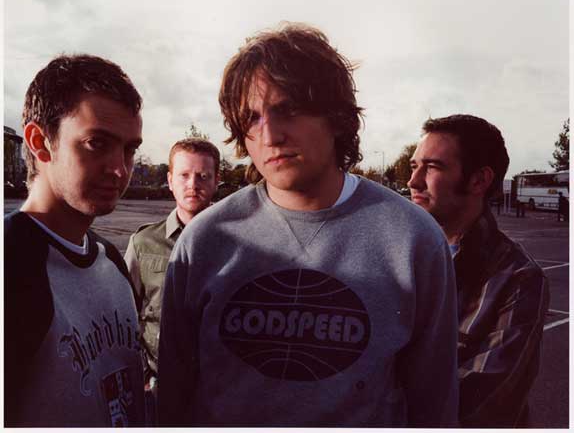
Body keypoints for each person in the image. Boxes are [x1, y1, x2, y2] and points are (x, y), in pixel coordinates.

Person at [158, 23, 459, 427]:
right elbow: (173, 395)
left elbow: (434, 402)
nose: (270, 135)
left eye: (288, 109)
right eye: (251, 118)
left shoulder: (413, 239)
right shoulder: (205, 240)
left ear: (336, 117)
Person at [5, 54, 145, 427]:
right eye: (96, 143)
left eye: (129, 149)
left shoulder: (111, 260)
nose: (119, 169)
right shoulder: (11, 264)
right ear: (40, 142)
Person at [408, 114, 549, 427]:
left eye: (432, 167)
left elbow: (482, 401)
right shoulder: (397, 255)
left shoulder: (518, 278)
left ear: (479, 180)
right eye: (414, 166)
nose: (413, 181)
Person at [124, 138, 220, 420]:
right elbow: (124, 317)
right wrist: (142, 375)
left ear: (217, 181)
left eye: (203, 176)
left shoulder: (238, 242)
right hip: (158, 388)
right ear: (169, 180)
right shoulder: (143, 243)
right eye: (184, 175)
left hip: (217, 390)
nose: (193, 184)